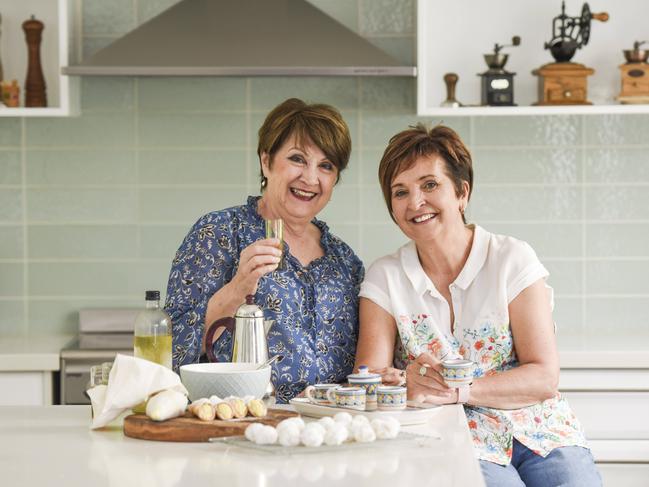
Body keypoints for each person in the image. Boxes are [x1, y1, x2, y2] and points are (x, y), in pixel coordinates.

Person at [354, 124, 601, 486]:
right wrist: (404, 381)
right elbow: (369, 378)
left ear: (462, 192)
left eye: (429, 185)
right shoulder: (385, 277)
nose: (415, 202)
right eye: (400, 192)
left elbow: (544, 377)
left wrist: (459, 390)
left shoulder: (512, 259)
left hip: (540, 429)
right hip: (450, 434)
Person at [165, 98, 363, 403]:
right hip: (241, 424)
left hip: (330, 428)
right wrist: (238, 287)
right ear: (266, 161)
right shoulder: (218, 233)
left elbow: (363, 363)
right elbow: (170, 351)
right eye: (297, 159)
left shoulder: (345, 261)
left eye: (326, 166)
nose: (311, 178)